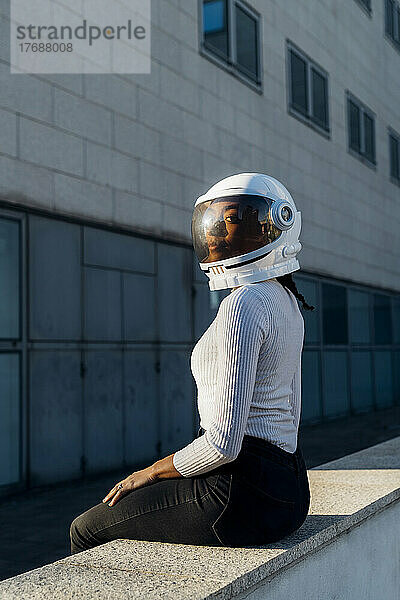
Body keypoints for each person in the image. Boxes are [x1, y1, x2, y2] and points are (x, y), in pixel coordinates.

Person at [69, 172, 314, 553]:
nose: (218, 235)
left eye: (235, 220)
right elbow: (289, 417)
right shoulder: (286, 302)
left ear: (276, 224)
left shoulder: (243, 305)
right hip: (290, 490)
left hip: (241, 494)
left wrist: (148, 473)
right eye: (216, 222)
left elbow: (222, 446)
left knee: (86, 529)